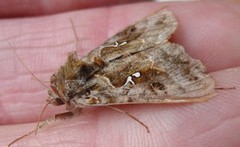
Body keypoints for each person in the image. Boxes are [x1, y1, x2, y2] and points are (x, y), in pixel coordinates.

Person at [1, 0, 240, 146]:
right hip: (119, 49)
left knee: (189, 87)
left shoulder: (82, 98)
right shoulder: (76, 70)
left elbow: (108, 106)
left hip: (138, 70)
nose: (52, 100)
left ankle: (185, 75)